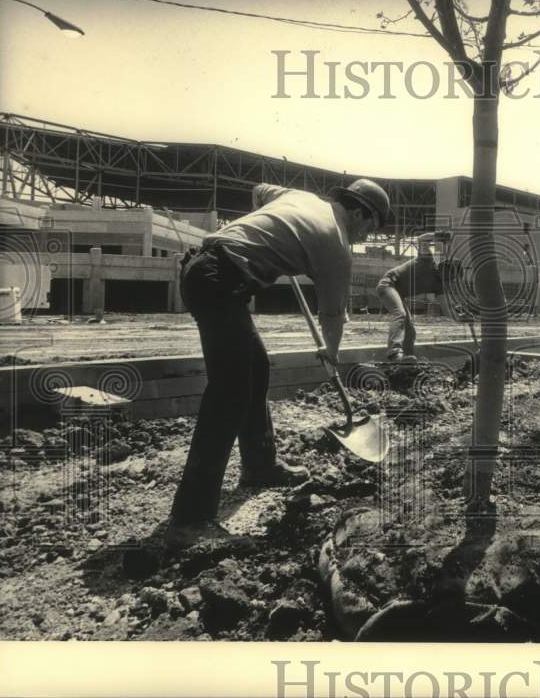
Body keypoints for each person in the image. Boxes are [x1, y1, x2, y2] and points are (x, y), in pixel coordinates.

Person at [166, 178, 390, 548]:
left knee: (257, 367)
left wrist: (276, 232)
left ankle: (260, 466)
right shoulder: (335, 244)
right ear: (357, 211)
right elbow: (332, 316)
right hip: (218, 279)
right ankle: (189, 519)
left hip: (209, 271)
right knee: (230, 391)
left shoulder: (299, 196)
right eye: (370, 225)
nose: (366, 234)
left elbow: (258, 191)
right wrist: (331, 355)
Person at [375, 230, 464, 361]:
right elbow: (422, 239)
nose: (446, 279)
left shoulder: (439, 286)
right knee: (400, 314)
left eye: (449, 278)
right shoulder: (427, 260)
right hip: (388, 285)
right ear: (444, 267)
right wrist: (439, 236)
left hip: (399, 293)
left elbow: (447, 311)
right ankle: (394, 352)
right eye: (447, 274)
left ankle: (407, 361)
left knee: (410, 331)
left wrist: (462, 318)